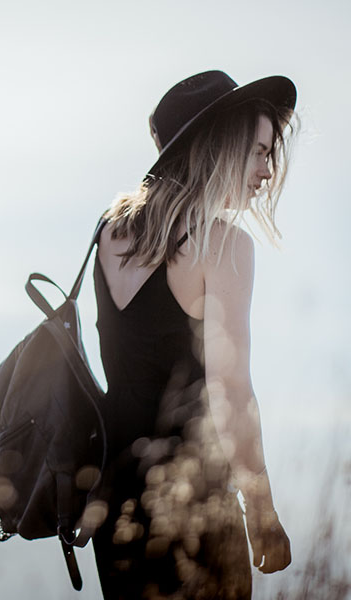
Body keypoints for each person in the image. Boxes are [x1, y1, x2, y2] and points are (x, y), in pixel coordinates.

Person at [91, 70, 297, 599]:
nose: (267, 171)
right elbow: (231, 391)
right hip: (195, 506)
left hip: (115, 509)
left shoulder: (109, 232)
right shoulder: (222, 246)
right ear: (219, 147)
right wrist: (262, 511)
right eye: (258, 152)